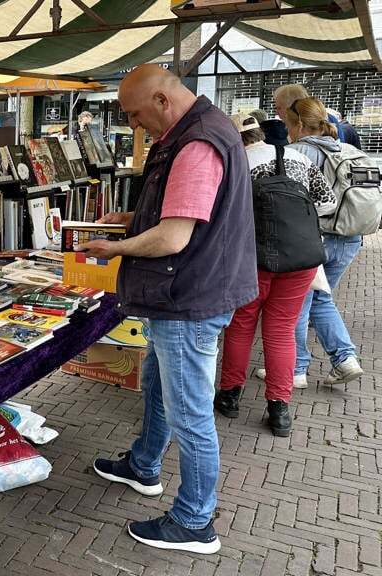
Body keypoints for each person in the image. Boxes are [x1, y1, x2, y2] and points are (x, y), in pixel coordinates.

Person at [80, 64, 258, 554]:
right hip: (186, 293)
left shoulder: (197, 144)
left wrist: (117, 248)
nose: (134, 126)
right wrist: (132, 220)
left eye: (136, 114)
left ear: (161, 101)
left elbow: (174, 237)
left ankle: (195, 521)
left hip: (187, 299)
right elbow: (183, 215)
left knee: (191, 415)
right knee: (158, 387)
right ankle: (144, 465)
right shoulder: (200, 131)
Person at [215, 114, 336, 437]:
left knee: (240, 327)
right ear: (260, 134)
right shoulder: (296, 156)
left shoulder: (236, 166)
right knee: (281, 332)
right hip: (300, 259)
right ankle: (279, 409)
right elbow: (327, 203)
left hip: (253, 260)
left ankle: (230, 396)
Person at [279, 96, 365, 386]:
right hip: (351, 236)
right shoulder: (349, 148)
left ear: (299, 124)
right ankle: (345, 358)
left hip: (315, 238)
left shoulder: (295, 152)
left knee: (298, 303)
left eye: (287, 123)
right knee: (319, 297)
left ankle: (295, 369)